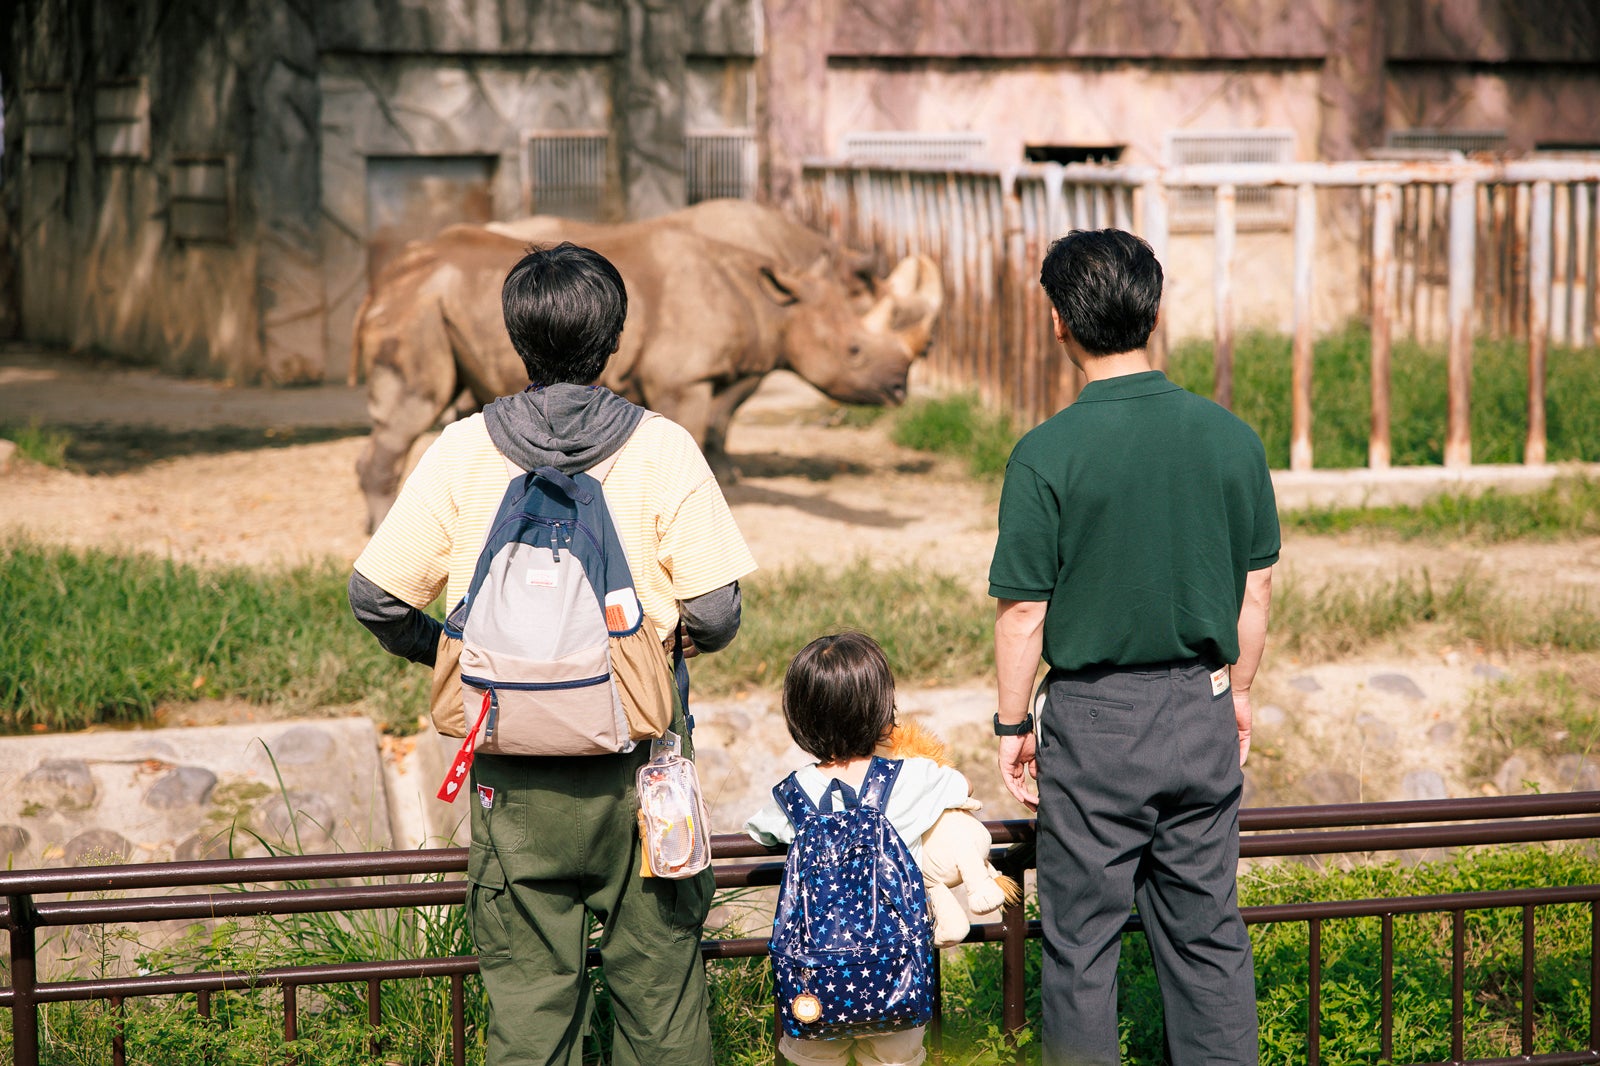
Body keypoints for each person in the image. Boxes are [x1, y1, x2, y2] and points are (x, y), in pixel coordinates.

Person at [348, 242, 757, 1066]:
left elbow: (377, 597)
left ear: (512, 339)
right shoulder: (664, 445)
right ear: (614, 341)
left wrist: (455, 652)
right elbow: (716, 610)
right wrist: (653, 654)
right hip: (644, 772)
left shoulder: (463, 450)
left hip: (511, 773)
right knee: (664, 1005)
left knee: (531, 1015)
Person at [988, 229, 1278, 1065]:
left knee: (1081, 950)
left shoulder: (1044, 454)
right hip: (1201, 705)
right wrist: (1241, 691)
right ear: (1153, 311)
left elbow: (1022, 618)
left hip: (1095, 721)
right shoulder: (1231, 438)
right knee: (1209, 942)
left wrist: (1013, 727)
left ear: (1057, 324)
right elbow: (1254, 589)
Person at [745, 632, 970, 1066]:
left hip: (816, 975)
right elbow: (963, 786)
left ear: (800, 718)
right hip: (894, 973)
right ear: (883, 709)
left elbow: (758, 831)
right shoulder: (913, 778)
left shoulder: (794, 793)